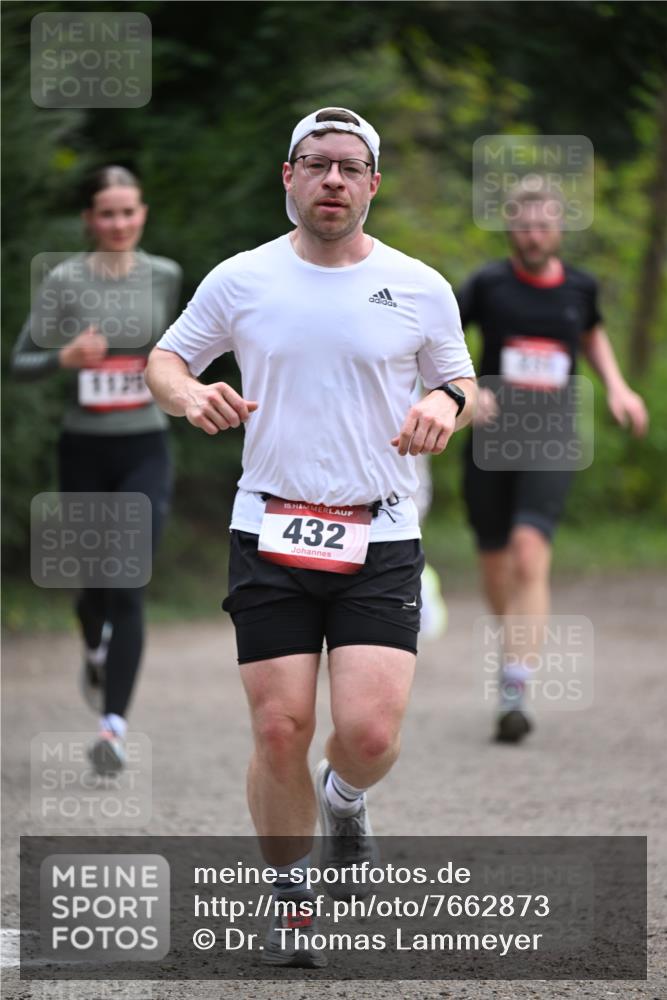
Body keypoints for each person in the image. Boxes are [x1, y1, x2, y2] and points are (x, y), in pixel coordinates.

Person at [145, 106, 476, 967]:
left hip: (381, 533)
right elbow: (165, 359)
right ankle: (292, 900)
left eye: (349, 167)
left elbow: (460, 381)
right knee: (279, 728)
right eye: (315, 164)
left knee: (366, 735)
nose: (332, 180)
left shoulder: (418, 284)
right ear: (287, 177)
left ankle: (345, 799)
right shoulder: (240, 279)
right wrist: (187, 396)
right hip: (270, 527)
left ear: (373, 183)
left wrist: (443, 406)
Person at [457, 178, 648, 744]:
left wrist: (618, 387)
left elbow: (592, 337)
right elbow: (437, 336)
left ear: (559, 228)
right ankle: (511, 648)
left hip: (551, 434)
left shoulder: (581, 288)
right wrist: (464, 387)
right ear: (510, 227)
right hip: (491, 439)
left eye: (543, 224)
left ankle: (517, 681)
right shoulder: (488, 285)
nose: (533, 234)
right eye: (523, 224)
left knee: (529, 549)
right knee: (494, 561)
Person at [11, 166, 182, 775]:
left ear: (142, 214)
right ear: (89, 218)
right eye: (107, 214)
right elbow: (18, 361)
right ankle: (93, 644)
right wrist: (63, 356)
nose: (119, 224)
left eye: (129, 212)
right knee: (92, 590)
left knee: (127, 580)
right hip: (84, 449)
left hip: (145, 447)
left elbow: (179, 350)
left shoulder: (165, 277)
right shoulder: (65, 279)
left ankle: (113, 730)